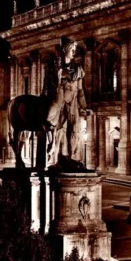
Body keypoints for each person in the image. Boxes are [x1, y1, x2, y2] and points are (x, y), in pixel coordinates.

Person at [46, 37, 92, 166]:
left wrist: (84, 106)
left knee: (75, 131)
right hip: (60, 101)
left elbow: (80, 90)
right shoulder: (55, 67)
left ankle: (72, 158)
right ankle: (57, 157)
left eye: (75, 49)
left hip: (73, 104)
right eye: (72, 49)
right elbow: (49, 87)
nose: (74, 52)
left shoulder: (78, 69)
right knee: (57, 129)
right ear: (65, 50)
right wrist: (59, 76)